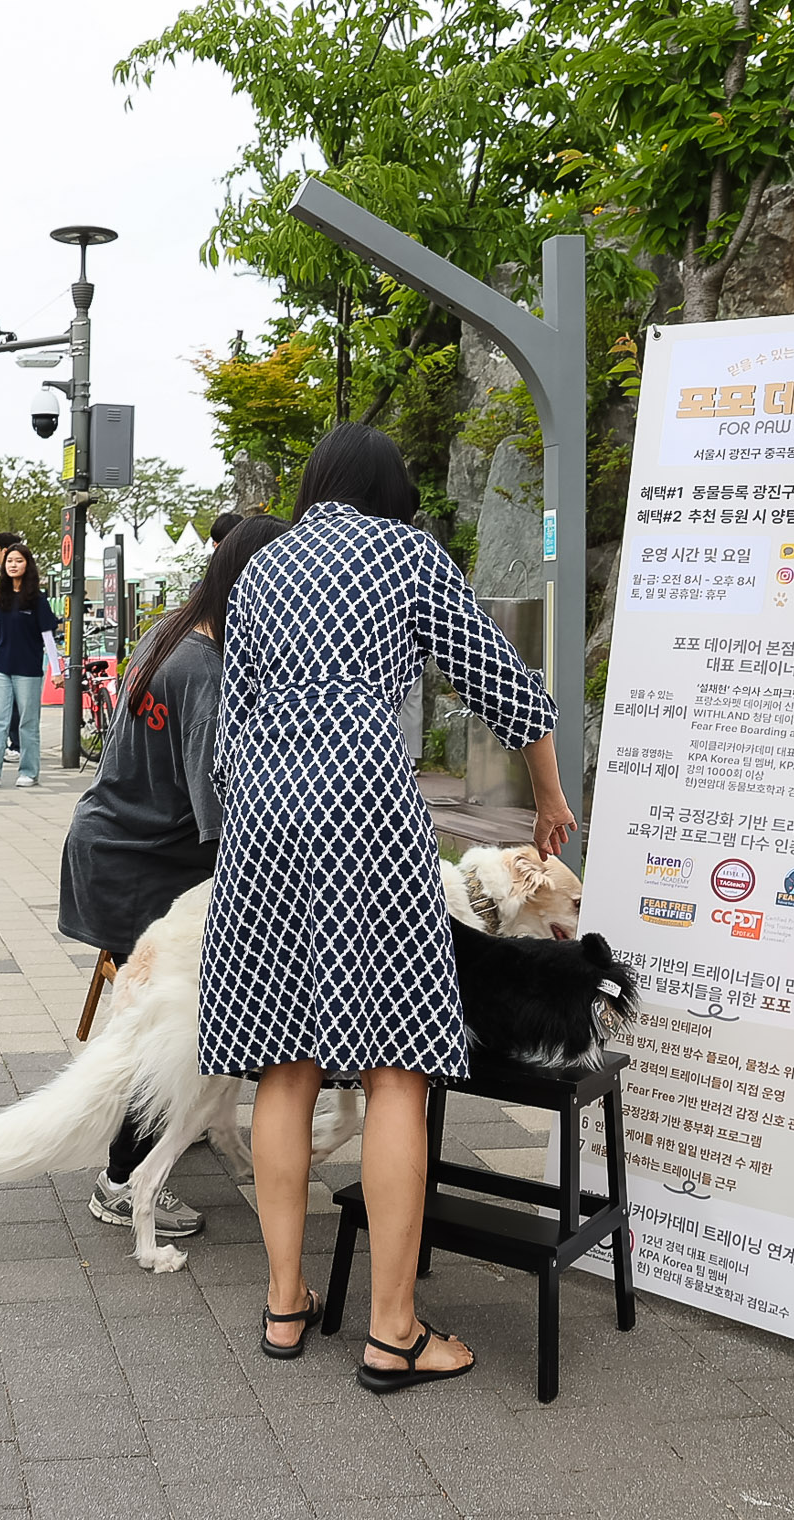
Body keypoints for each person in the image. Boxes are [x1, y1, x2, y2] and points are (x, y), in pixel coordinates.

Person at [202, 424, 573, 1393]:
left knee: (281, 1060)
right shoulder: (404, 552)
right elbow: (498, 676)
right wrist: (546, 792)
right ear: (387, 493)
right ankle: (392, 1329)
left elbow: (227, 729)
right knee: (396, 1063)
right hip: (364, 811)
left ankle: (286, 1303)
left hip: (261, 819)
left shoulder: (260, 566)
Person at [63, 514, 288, 1240]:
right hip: (146, 864)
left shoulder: (171, 632)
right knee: (165, 1025)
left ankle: (170, 1137)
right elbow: (218, 814)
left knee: (156, 1023)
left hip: (108, 842)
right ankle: (121, 1180)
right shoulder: (211, 671)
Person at [0, 534, 61, 788]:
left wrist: (56, 669)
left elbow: (48, 636)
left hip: (28, 669)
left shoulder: (37, 599)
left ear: (27, 565)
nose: (12, 565)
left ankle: (29, 772)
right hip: (1, 666)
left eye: (18, 561)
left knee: (28, 721)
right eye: (9, 560)